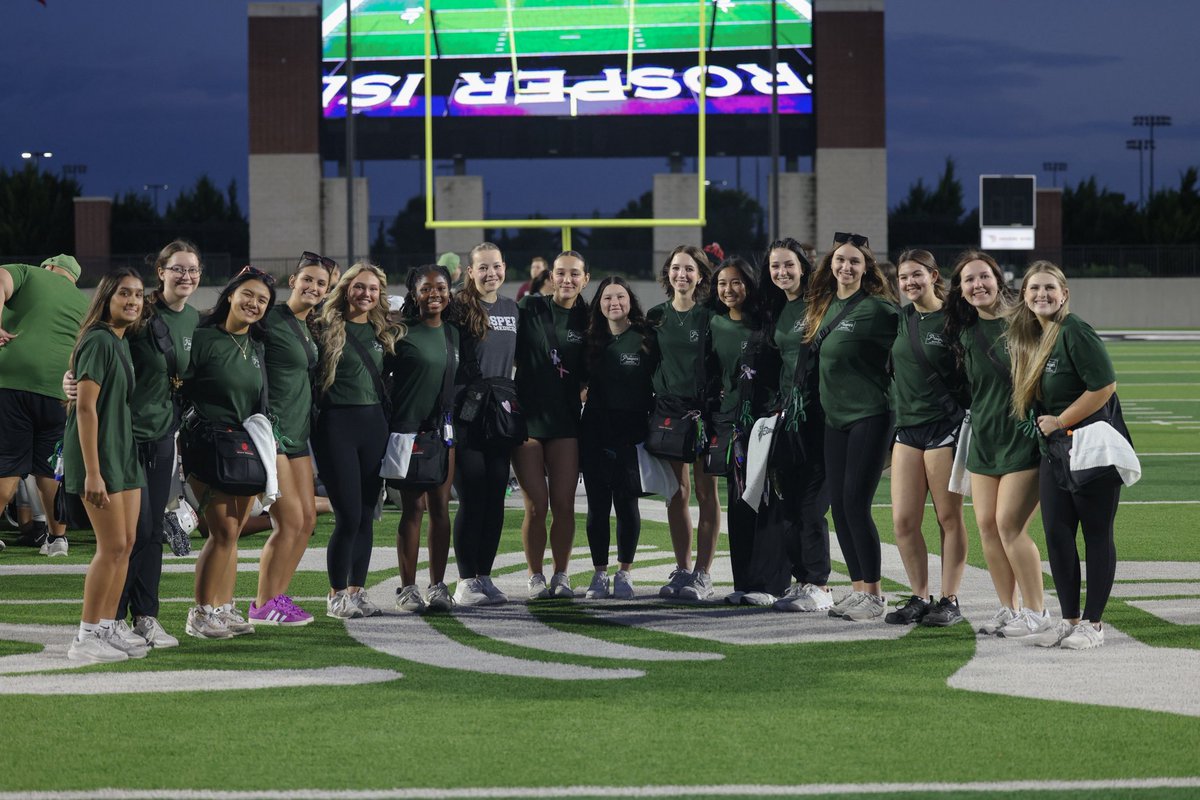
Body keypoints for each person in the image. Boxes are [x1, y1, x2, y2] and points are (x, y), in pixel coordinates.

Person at [1008, 262, 1122, 649]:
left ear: (1064, 294)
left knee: (1096, 534)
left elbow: (1104, 385)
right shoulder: (1033, 335)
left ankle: (1094, 624)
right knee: (1057, 535)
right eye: (1034, 288)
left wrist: (1060, 420)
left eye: (1049, 288)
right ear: (1024, 295)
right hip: (1055, 451)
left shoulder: (1075, 331)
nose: (1042, 294)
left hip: (1089, 449)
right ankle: (1070, 619)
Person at [943, 251, 1048, 638]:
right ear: (960, 289)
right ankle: (1009, 607)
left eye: (983, 276)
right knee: (987, 527)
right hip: (984, 440)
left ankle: (1037, 611)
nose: (977, 285)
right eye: (968, 280)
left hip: (1022, 438)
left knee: (1009, 526)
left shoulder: (1025, 320)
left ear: (997, 278)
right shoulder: (964, 331)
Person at [804, 232, 898, 622]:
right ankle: (859, 589)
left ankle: (874, 594)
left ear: (865, 268)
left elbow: (912, 339)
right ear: (831, 265)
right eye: (840, 260)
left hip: (870, 415)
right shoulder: (824, 304)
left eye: (854, 261)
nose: (846, 266)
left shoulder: (879, 308)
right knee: (840, 507)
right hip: (835, 418)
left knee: (856, 504)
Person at [179, 267, 277, 639]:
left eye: (262, 300)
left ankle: (223, 606)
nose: (254, 303)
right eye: (248, 294)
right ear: (231, 294)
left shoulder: (256, 346)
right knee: (221, 531)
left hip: (243, 446)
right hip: (206, 443)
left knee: (232, 534)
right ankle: (201, 612)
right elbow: (176, 385)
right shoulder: (203, 336)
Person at [118, 241, 202, 646]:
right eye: (178, 269)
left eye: (193, 269)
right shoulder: (140, 311)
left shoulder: (197, 320)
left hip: (163, 436)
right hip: (125, 437)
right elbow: (100, 344)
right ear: (161, 272)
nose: (186, 276)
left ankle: (145, 617)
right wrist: (71, 379)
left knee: (153, 531)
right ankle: (111, 618)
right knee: (131, 532)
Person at [64, 268, 148, 663]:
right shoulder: (98, 339)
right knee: (111, 546)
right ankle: (85, 637)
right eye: (124, 294)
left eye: (138, 294)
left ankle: (106, 627)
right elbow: (84, 407)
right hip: (99, 455)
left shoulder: (120, 341)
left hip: (122, 451)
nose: (133, 301)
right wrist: (93, 472)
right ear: (106, 298)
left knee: (126, 545)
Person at [313, 263, 403, 618]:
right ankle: (336, 594)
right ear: (346, 288)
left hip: (374, 426)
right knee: (348, 515)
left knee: (366, 514)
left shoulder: (385, 332)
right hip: (336, 426)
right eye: (360, 287)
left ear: (380, 294)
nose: (366, 294)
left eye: (373, 289)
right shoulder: (324, 327)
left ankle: (357, 590)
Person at [248, 251, 334, 626]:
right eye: (308, 279)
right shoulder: (270, 318)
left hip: (299, 434)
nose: (313, 287)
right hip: (274, 432)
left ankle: (277, 596)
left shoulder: (307, 324)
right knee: (288, 521)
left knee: (306, 521)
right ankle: (262, 603)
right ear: (293, 281)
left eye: (321, 283)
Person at [884, 250, 969, 627]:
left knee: (948, 518)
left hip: (944, 428)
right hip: (907, 429)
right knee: (903, 521)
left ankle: (950, 598)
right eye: (903, 277)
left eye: (916, 275)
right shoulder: (901, 318)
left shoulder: (955, 318)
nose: (909, 283)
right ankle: (919, 596)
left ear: (934, 275)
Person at [759, 239, 834, 613]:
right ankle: (800, 581)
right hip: (787, 420)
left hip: (821, 416)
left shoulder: (821, 303)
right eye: (775, 266)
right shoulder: (775, 308)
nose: (782, 272)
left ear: (803, 266)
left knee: (811, 507)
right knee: (788, 506)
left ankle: (819, 583)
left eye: (788, 264)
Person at [0, 255, 89, 556]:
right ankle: (57, 538)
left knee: (7, 465)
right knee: (51, 469)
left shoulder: (27, 273)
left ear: (48, 267)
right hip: (60, 391)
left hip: (12, 382)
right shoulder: (83, 302)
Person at [513, 250, 589, 599]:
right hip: (528, 422)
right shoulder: (530, 308)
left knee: (563, 504)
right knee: (535, 505)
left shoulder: (590, 318)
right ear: (550, 276)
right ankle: (535, 575)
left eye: (574, 274)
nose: (567, 280)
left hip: (566, 422)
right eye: (560, 273)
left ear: (585, 279)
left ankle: (561, 574)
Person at [646, 245, 720, 601]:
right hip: (670, 411)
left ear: (701, 275)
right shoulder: (656, 316)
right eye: (676, 268)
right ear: (668, 273)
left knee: (706, 492)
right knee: (676, 492)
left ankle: (703, 574)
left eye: (689, 269)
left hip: (704, 412)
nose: (682, 275)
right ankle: (682, 568)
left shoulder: (711, 315)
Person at [447, 243, 518, 606]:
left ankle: (485, 577)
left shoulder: (511, 308)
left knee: (495, 500)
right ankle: (465, 580)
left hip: (500, 414)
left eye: (496, 266)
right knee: (472, 497)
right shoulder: (458, 308)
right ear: (470, 272)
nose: (491, 273)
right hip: (467, 413)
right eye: (483, 268)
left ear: (504, 267)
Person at [388, 265, 463, 612]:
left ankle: (438, 586)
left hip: (442, 431)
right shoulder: (400, 332)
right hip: (407, 431)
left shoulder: (454, 332)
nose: (435, 294)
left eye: (441, 288)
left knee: (440, 508)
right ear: (414, 294)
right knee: (412, 508)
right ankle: (407, 588)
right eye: (426, 289)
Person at [707, 256, 781, 604]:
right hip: (730, 425)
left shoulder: (767, 323)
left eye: (736, 282)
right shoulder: (715, 324)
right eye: (722, 283)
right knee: (737, 504)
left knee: (764, 500)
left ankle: (769, 585)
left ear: (749, 285)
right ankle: (744, 583)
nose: (728, 289)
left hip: (764, 423)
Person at [580, 276, 657, 599]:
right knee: (597, 506)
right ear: (599, 304)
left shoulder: (645, 337)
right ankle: (599, 574)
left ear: (630, 301)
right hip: (595, 430)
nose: (614, 303)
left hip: (632, 430)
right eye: (608, 298)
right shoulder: (589, 340)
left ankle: (624, 572)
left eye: (620, 297)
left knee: (627, 503)